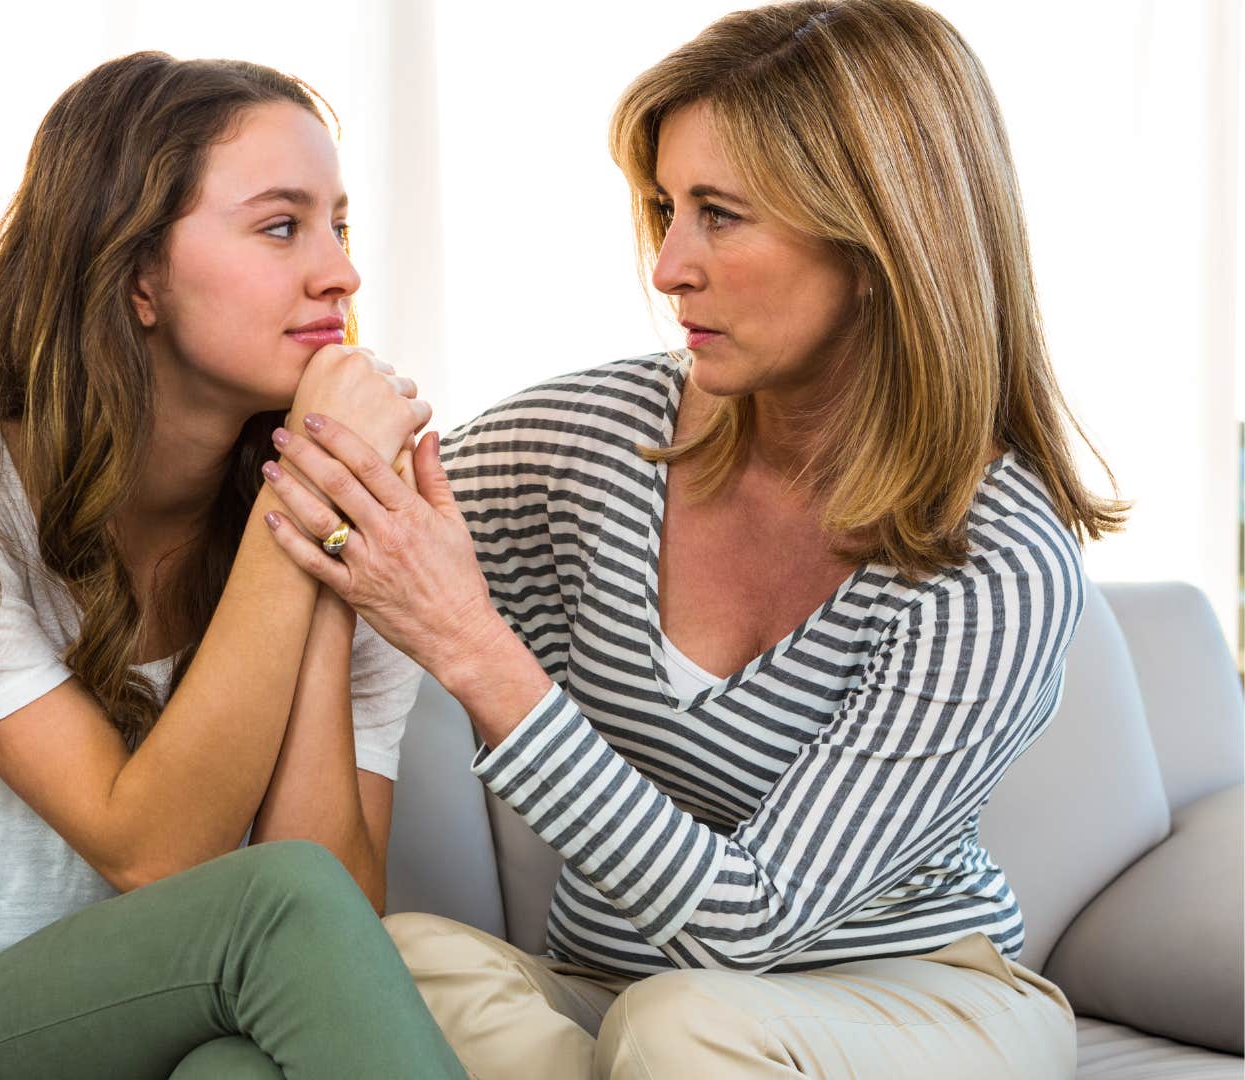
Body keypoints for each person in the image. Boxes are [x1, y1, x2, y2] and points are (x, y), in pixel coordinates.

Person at [257, 1, 1124, 1076]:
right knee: (393, 961)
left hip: (909, 1003)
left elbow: (748, 928)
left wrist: (470, 646)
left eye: (720, 214)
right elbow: (343, 509)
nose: (667, 267)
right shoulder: (594, 443)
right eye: (667, 208)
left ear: (877, 243)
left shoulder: (999, 562)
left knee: (686, 1025)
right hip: (613, 1000)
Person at [0, 51, 465, 1080]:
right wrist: (305, 512)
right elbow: (156, 853)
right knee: (269, 903)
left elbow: (337, 899)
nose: (340, 271)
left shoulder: (343, 509)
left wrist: (335, 555)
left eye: (338, 225)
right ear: (138, 274)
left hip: (194, 1036)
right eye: (282, 226)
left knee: (237, 1072)